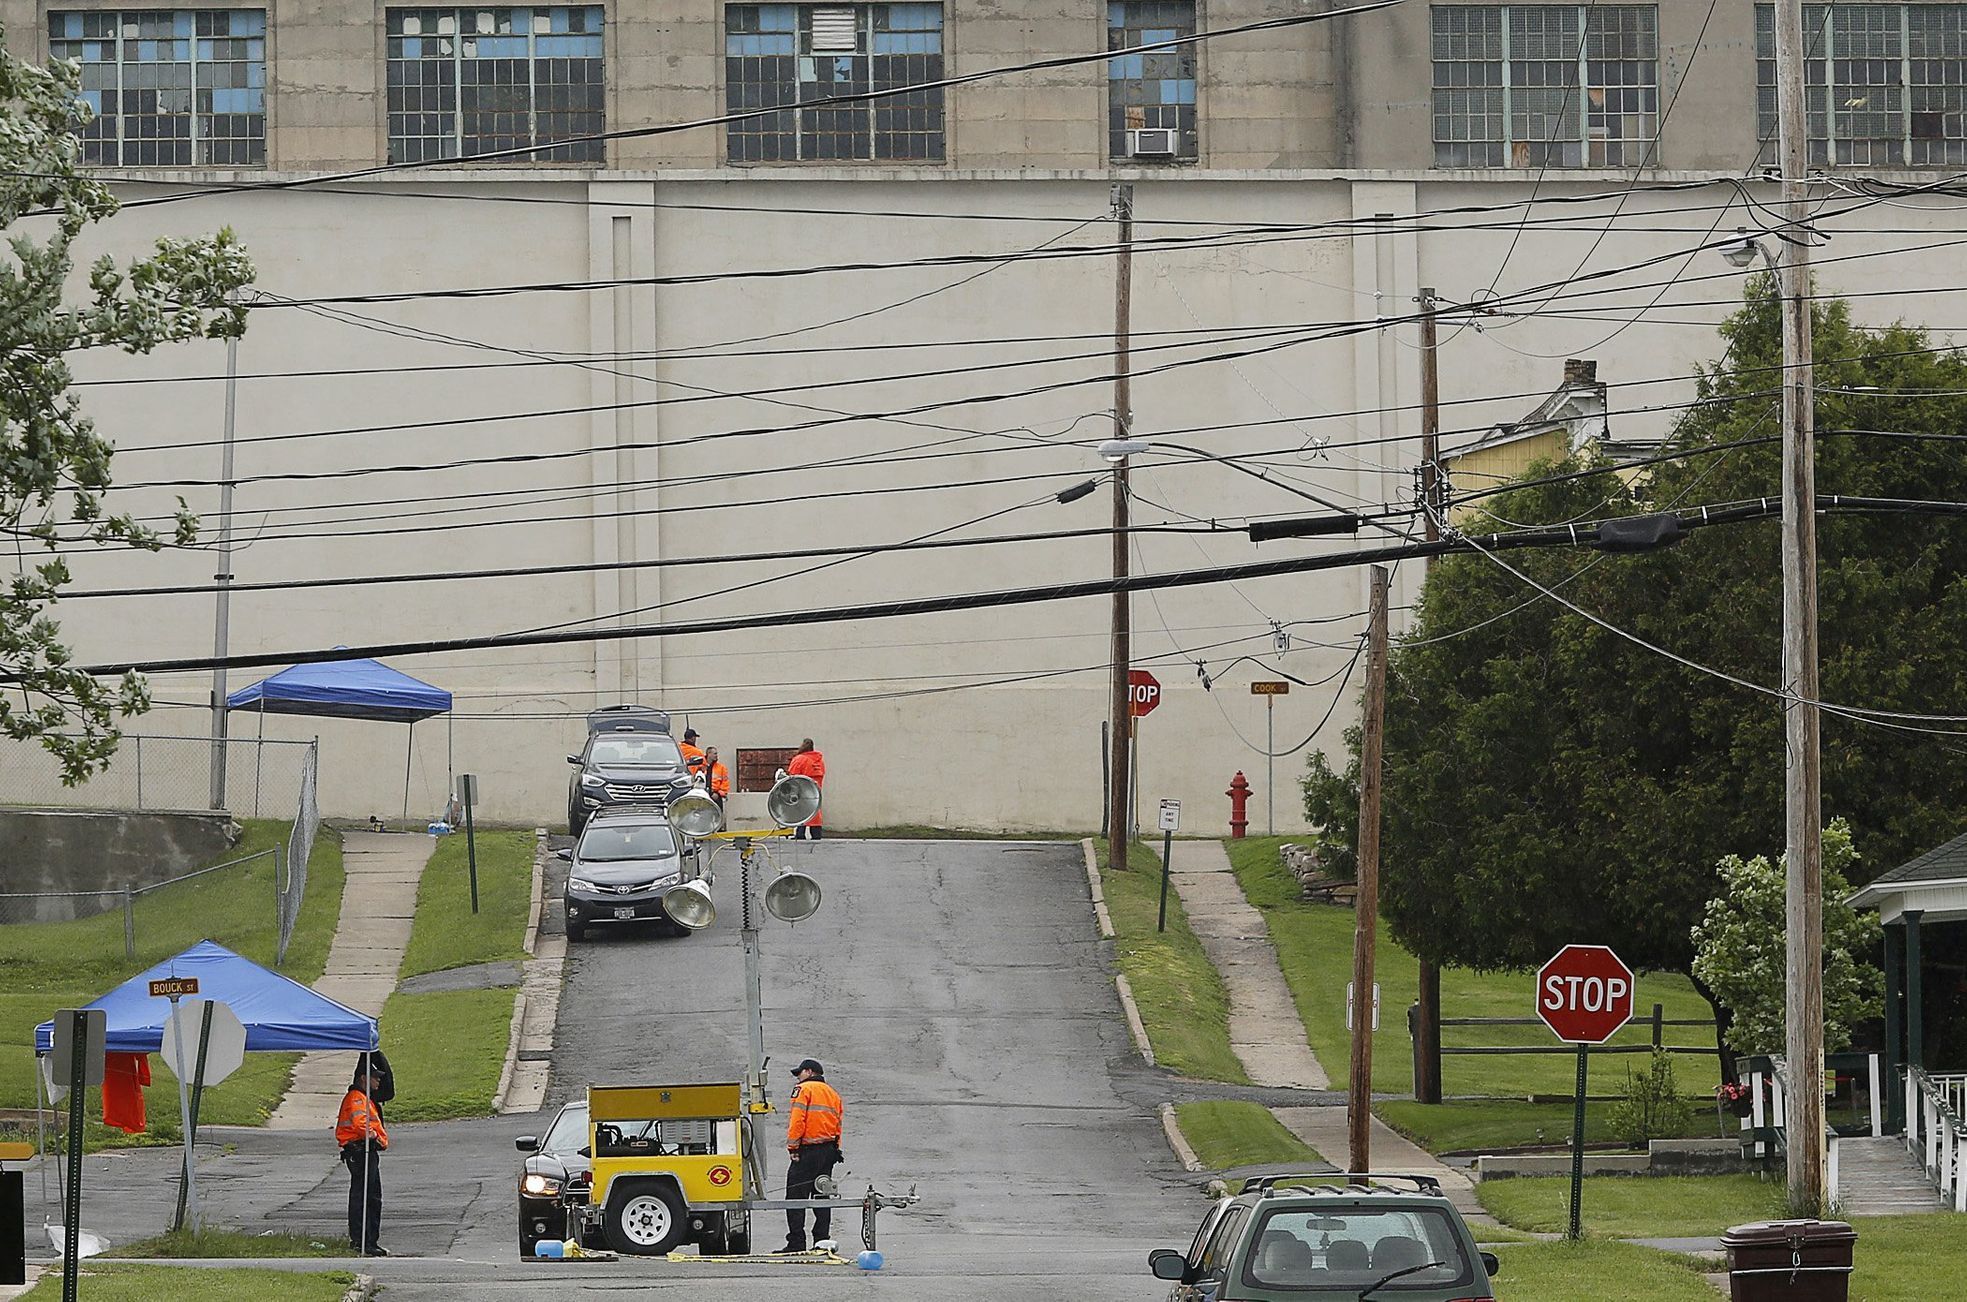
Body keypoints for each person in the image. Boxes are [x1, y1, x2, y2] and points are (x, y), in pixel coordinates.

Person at [777, 1058, 843, 1253]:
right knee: (822, 1194)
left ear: (809, 1071)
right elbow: (838, 1123)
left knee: (795, 1197)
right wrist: (836, 1149)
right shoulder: (833, 1093)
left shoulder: (804, 1090)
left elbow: (798, 1121)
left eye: (800, 1073)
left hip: (807, 1151)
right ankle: (822, 1241)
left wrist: (793, 1148)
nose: (798, 1077)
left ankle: (796, 1242)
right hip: (828, 1150)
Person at [336, 1053, 390, 1256]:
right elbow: (361, 1124)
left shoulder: (363, 1098)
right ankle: (363, 1241)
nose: (379, 1081)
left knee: (369, 1196)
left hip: (363, 1151)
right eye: (375, 1077)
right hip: (361, 1151)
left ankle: (366, 1240)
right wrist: (374, 1136)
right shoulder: (357, 1099)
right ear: (363, 1078)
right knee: (367, 1197)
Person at [786, 738, 825, 840]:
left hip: (802, 791)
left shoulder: (799, 759)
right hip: (815, 791)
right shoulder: (819, 760)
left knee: (801, 811)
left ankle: (800, 834)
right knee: (815, 812)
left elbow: (792, 776)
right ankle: (816, 834)